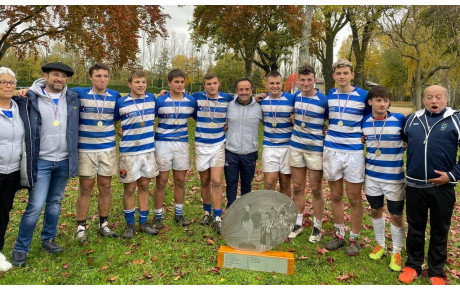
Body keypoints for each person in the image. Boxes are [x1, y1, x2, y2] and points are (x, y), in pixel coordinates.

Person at [11, 62, 79, 267]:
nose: (60, 79)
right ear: (45, 76)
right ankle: (21, 248)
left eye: (64, 76)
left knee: (55, 202)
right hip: (41, 160)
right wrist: (20, 91)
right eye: (56, 75)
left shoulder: (73, 97)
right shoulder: (29, 98)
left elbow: (99, 90)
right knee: (35, 205)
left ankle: (48, 238)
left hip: (65, 159)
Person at [398, 85, 460, 285]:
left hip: (442, 187)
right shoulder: (412, 120)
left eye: (439, 97)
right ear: (423, 99)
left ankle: (436, 270)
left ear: (446, 99)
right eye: (430, 97)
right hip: (415, 186)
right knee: (415, 227)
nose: (434, 101)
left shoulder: (456, 120)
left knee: (439, 229)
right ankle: (413, 265)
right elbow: (406, 140)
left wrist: (451, 175)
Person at [323, 60, 368, 256]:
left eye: (345, 73)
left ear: (352, 75)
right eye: (338, 73)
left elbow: (371, 117)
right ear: (333, 76)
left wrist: (367, 134)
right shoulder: (330, 95)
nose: (342, 76)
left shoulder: (364, 96)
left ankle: (354, 238)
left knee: (354, 197)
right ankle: (340, 235)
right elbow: (324, 116)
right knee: (336, 196)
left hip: (354, 152)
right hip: (332, 149)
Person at [74, 63, 121, 243]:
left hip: (107, 149)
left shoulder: (115, 96)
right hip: (86, 149)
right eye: (98, 76)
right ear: (90, 77)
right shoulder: (80, 93)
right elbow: (52, 86)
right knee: (85, 187)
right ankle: (80, 225)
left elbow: (115, 119)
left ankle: (104, 224)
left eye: (105, 76)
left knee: (105, 187)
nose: (102, 79)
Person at [362, 86, 405, 272]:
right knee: (375, 209)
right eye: (378, 100)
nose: (382, 104)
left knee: (396, 215)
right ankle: (380, 244)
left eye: (385, 100)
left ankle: (397, 251)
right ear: (370, 102)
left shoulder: (399, 120)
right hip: (372, 177)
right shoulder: (364, 122)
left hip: (394, 178)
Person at [114, 70, 159, 238]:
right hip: (129, 152)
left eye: (143, 82)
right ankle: (129, 224)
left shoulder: (152, 100)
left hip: (147, 150)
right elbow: (111, 122)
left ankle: (144, 222)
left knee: (145, 186)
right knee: (130, 187)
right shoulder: (120, 103)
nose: (141, 85)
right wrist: (119, 130)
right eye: (137, 82)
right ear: (129, 84)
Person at [287, 65, 328, 242]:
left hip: (315, 149)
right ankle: (298, 223)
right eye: (302, 80)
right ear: (299, 81)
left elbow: (330, 120)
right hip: (296, 146)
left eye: (309, 80)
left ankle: (317, 226)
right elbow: (290, 113)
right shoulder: (295, 97)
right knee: (297, 187)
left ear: (314, 79)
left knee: (317, 189)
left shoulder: (323, 100)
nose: (305, 83)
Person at [153, 69, 196, 229]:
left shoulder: (190, 101)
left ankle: (179, 214)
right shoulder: (160, 101)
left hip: (182, 144)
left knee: (180, 180)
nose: (179, 85)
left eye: (182, 82)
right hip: (162, 144)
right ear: (169, 83)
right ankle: (158, 216)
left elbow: (201, 116)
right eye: (176, 82)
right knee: (162, 181)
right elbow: (149, 117)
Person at [192, 73, 233, 234]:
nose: (212, 86)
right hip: (201, 145)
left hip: (218, 145)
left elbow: (243, 103)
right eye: (208, 84)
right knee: (205, 181)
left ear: (219, 84)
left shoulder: (227, 98)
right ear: (204, 86)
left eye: (214, 83)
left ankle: (217, 216)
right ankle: (206, 212)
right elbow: (179, 98)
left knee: (216, 181)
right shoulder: (196, 97)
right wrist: (163, 93)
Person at [0, 67, 25, 272]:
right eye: (3, 82)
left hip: (13, 170)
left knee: (3, 211)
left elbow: (41, 86)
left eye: (11, 82)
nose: (8, 86)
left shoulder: (19, 107)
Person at [224, 78, 262, 208]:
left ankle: (245, 211)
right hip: (231, 152)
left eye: (247, 89)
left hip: (250, 153)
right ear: (236, 91)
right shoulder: (229, 105)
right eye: (241, 89)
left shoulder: (259, 107)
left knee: (246, 184)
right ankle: (231, 210)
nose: (244, 92)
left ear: (252, 91)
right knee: (231, 183)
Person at [259, 71, 295, 196]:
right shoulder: (261, 101)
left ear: (282, 84)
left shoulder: (291, 99)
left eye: (278, 83)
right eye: (272, 83)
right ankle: (268, 210)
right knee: (270, 181)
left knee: (285, 183)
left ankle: (284, 212)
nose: (275, 86)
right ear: (267, 85)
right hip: (270, 145)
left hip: (288, 146)